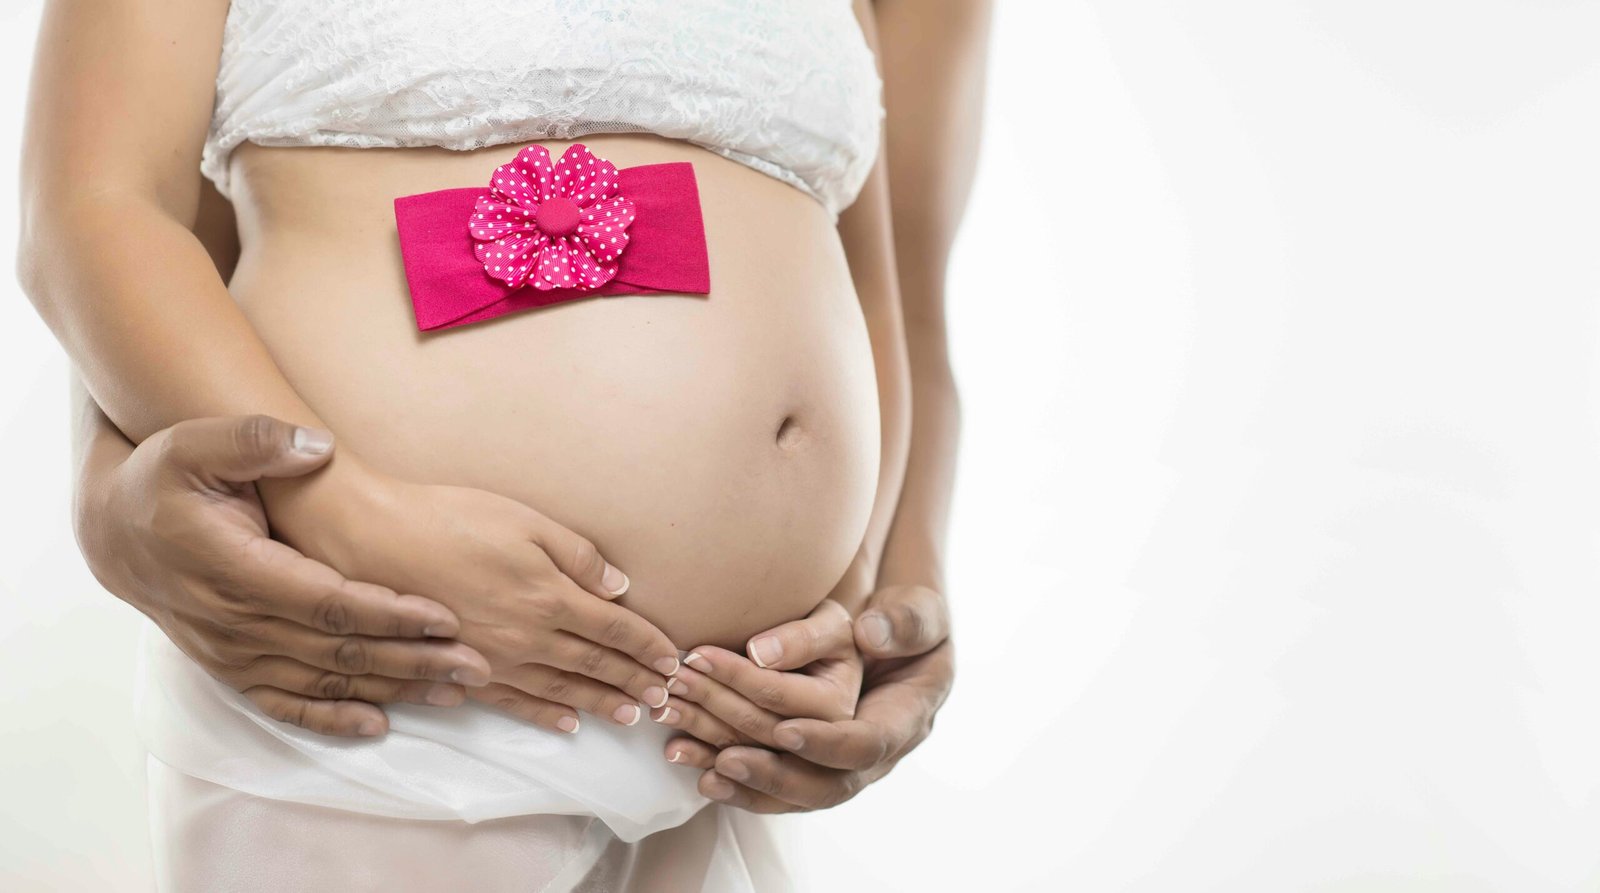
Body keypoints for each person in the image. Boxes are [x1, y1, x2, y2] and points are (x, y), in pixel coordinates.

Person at [21, 0, 988, 888]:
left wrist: (858, 607)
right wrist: (347, 511)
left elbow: (897, 306)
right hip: (393, 682)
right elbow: (95, 207)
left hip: (725, 737)